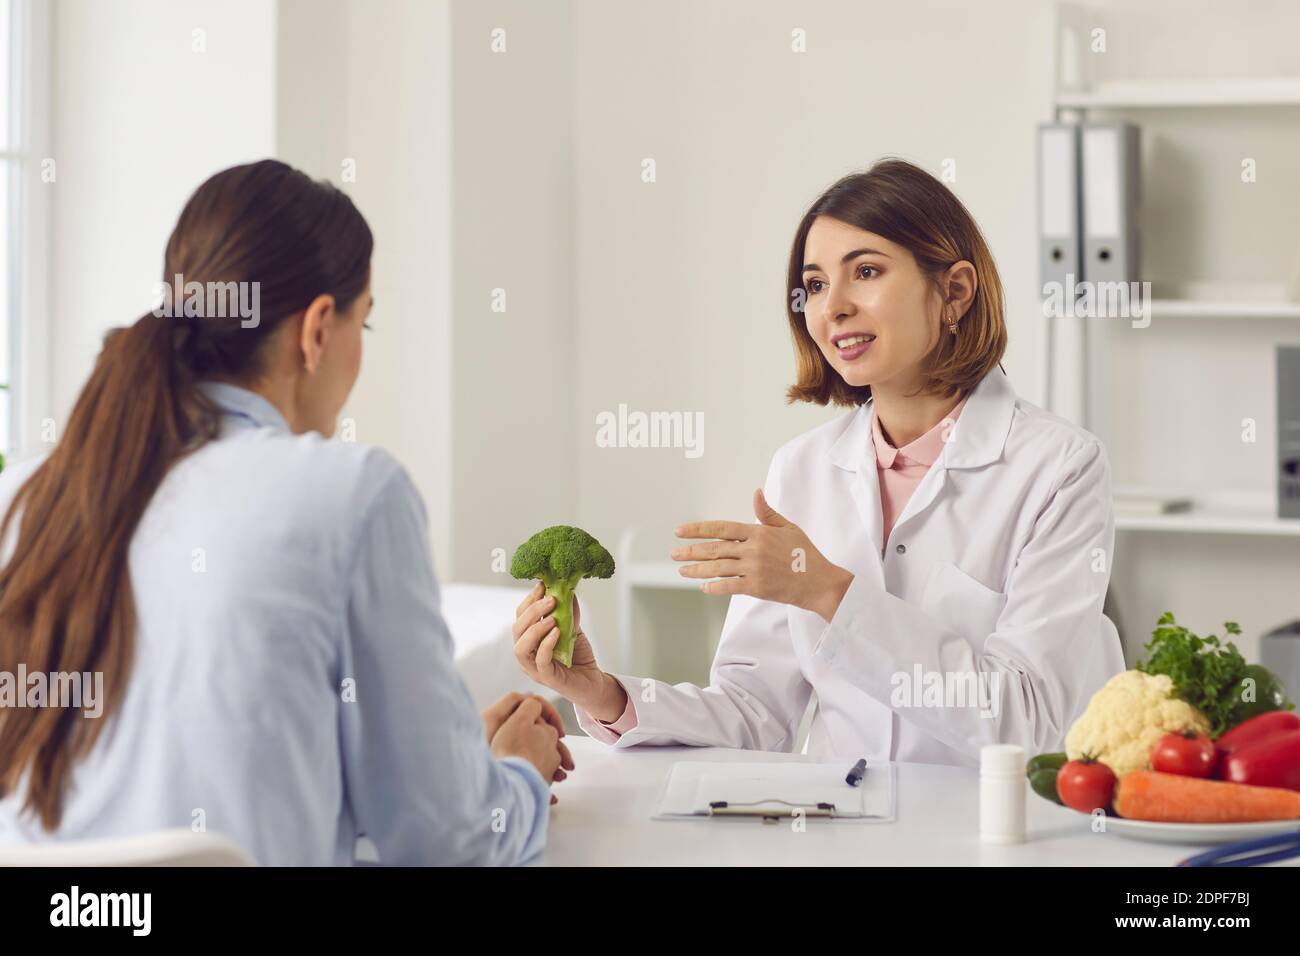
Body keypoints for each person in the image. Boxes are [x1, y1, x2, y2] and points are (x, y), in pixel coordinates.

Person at [0, 159, 571, 865]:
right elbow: (447, 841)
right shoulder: (351, 492)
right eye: (367, 321)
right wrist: (517, 772)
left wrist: (452, 770)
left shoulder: (26, 496)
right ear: (317, 330)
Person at [513, 158, 1125, 765]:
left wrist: (828, 592)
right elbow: (755, 716)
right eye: (814, 284)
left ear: (954, 292)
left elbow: (1029, 722)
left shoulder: (1060, 468)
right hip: (842, 831)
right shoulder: (801, 470)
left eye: (865, 271)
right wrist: (606, 695)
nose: (832, 307)